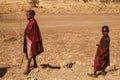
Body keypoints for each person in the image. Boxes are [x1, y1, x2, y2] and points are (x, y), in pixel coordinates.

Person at [23, 10, 44, 75]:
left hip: (32, 40)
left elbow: (28, 31)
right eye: (26, 15)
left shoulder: (33, 22)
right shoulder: (31, 21)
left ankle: (27, 67)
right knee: (32, 52)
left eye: (28, 15)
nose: (26, 16)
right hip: (29, 39)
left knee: (30, 53)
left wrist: (25, 31)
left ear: (32, 15)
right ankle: (35, 64)